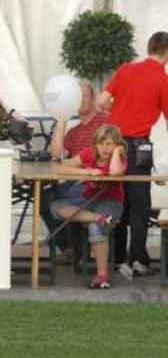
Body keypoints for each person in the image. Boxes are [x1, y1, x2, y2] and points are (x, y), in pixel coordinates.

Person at [97, 31, 168, 280]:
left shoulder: (126, 69)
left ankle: (116, 258)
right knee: (140, 204)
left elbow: (101, 100)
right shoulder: (162, 78)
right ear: (166, 54)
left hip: (114, 145)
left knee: (116, 198)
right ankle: (137, 259)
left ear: (149, 48)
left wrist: (117, 108)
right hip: (139, 147)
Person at [50, 124, 127, 289]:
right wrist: (88, 172)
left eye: (110, 144)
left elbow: (114, 173)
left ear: (117, 145)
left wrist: (117, 153)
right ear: (95, 143)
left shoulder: (119, 158)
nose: (105, 148)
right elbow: (62, 168)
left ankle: (102, 276)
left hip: (111, 201)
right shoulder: (89, 153)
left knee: (95, 228)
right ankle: (100, 218)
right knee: (56, 206)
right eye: (101, 143)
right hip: (89, 199)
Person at [41, 82, 108, 264]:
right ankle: (70, 248)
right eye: (76, 97)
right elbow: (57, 155)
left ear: (94, 99)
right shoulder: (74, 131)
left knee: (53, 198)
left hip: (96, 184)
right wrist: (61, 120)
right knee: (43, 197)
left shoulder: (105, 123)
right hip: (75, 181)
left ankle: (75, 250)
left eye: (84, 96)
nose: (79, 101)